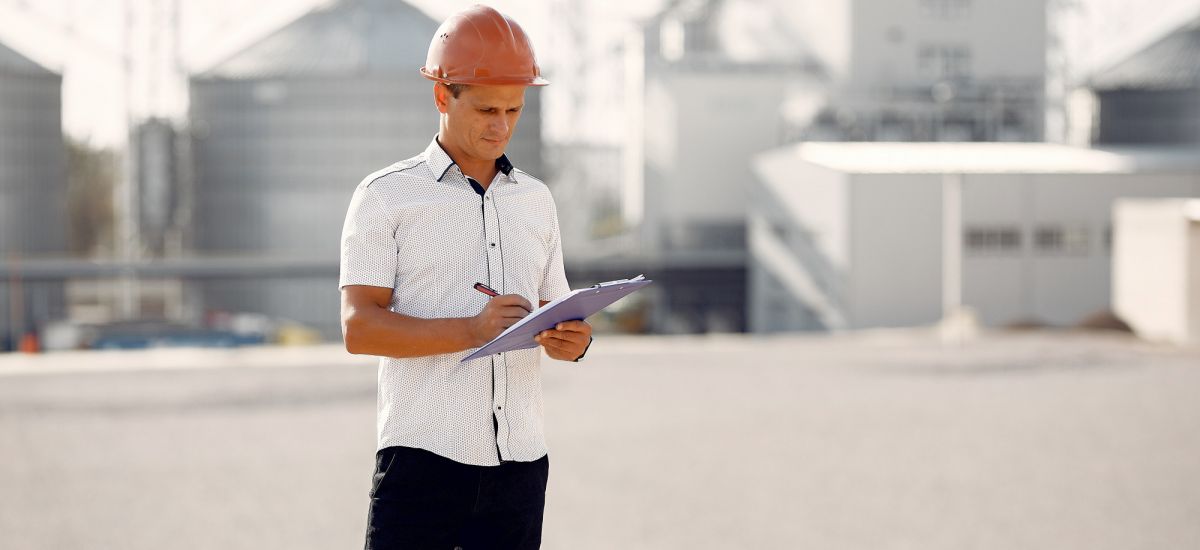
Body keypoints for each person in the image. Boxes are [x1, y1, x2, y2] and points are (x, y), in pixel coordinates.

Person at [338, 5, 592, 549]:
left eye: (514, 109)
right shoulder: (385, 197)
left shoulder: (536, 200)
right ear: (441, 96)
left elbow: (561, 313)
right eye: (485, 109)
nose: (501, 126)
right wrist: (474, 331)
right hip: (421, 464)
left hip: (521, 465)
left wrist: (575, 341)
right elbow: (359, 329)